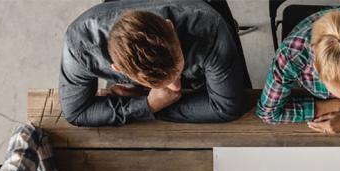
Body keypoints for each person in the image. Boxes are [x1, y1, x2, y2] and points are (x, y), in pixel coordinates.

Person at [60, 0, 245, 126]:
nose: (176, 87)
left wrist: (145, 106)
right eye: (155, 83)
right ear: (118, 70)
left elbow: (227, 108)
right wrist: (148, 105)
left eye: (178, 68)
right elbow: (76, 113)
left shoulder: (210, 29)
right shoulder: (79, 46)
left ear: (169, 26)